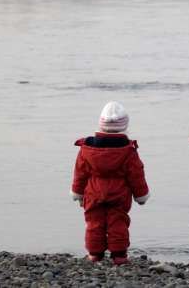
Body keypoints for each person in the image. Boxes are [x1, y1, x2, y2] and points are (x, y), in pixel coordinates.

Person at [70, 101, 150, 265]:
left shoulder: (87, 149)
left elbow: (80, 172)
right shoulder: (128, 151)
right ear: (124, 127)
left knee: (94, 223)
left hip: (93, 193)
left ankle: (94, 254)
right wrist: (141, 196)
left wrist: (77, 192)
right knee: (118, 223)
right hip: (119, 194)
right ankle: (119, 255)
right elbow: (136, 174)